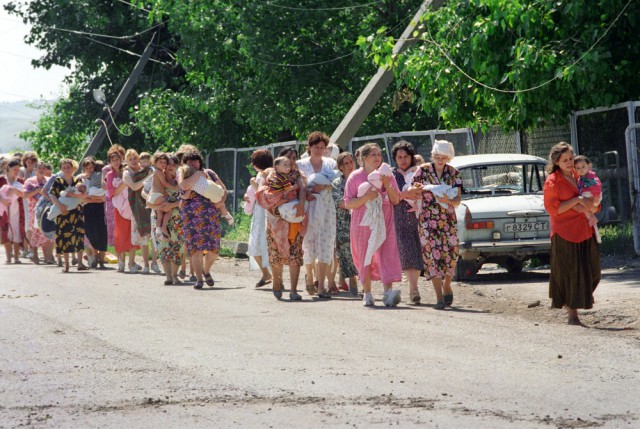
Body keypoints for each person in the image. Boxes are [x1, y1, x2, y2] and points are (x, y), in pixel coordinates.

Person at [543, 142, 600, 326]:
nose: (569, 163)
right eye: (565, 160)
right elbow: (554, 208)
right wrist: (576, 200)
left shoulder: (579, 175)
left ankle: (576, 303)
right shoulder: (553, 181)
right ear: (556, 162)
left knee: (593, 271)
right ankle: (572, 315)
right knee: (570, 274)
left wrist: (591, 203)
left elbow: (592, 198)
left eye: (570, 158)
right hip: (565, 232)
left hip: (584, 230)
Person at [344, 142, 402, 307]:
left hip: (385, 218)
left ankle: (388, 293)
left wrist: (387, 183)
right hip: (363, 220)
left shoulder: (387, 174)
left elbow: (396, 199)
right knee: (365, 255)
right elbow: (348, 203)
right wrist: (365, 198)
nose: (377, 157)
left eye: (379, 154)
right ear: (364, 158)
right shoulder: (355, 176)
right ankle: (367, 293)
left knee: (387, 253)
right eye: (373, 154)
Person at [412, 140, 462, 310]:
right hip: (427, 221)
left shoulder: (454, 173)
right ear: (433, 156)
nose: (440, 160)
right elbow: (414, 189)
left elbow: (457, 201)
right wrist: (422, 188)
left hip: (448, 221)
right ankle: (439, 297)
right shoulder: (423, 170)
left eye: (444, 157)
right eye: (437, 156)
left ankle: (447, 284)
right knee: (432, 257)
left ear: (449, 157)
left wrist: (447, 199)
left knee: (450, 254)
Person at [255, 146, 306, 300]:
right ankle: (277, 283)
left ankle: (294, 290)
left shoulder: (297, 173)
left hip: (293, 219)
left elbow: (302, 189)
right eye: (288, 157)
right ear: (280, 158)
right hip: (274, 219)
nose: (291, 161)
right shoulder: (269, 173)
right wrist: (277, 197)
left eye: (294, 158)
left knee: (294, 253)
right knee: (275, 253)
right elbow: (261, 189)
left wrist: (301, 204)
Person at [177, 148, 227, 289]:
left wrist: (221, 202)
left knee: (214, 248)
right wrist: (198, 174)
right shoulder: (182, 173)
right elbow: (183, 186)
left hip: (210, 215)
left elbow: (223, 189)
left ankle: (206, 271)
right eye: (189, 161)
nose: (193, 163)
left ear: (200, 161)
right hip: (191, 216)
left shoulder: (210, 173)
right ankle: (199, 279)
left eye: (195, 160)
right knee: (195, 248)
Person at [296, 131, 337, 299]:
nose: (319, 150)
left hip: (327, 208)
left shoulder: (331, 163)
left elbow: (337, 182)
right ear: (309, 147)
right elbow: (297, 185)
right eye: (316, 147)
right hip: (308, 208)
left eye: (322, 147)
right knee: (309, 244)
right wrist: (306, 193)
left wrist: (325, 187)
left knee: (326, 245)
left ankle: (321, 286)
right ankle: (310, 276)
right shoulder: (300, 164)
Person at [391, 141, 425, 304]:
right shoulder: (391, 175)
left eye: (406, 156)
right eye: (399, 157)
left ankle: (414, 286)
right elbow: (392, 196)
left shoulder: (420, 172)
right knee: (407, 252)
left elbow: (424, 191)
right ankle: (413, 289)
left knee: (418, 252)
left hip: (420, 218)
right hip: (399, 218)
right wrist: (406, 194)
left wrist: (413, 194)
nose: (403, 160)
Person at [147, 154, 185, 285]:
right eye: (168, 164)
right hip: (159, 217)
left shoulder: (182, 180)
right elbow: (148, 201)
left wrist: (171, 205)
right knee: (164, 247)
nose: (170, 167)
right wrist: (161, 206)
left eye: (174, 164)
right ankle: (168, 277)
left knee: (177, 247)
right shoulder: (156, 176)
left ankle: (175, 276)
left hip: (177, 220)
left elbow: (186, 200)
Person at [48, 158, 87, 272]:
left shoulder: (78, 181)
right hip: (62, 213)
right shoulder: (58, 181)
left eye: (68, 167)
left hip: (77, 212)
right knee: (64, 237)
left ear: (73, 168)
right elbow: (52, 195)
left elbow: (84, 195)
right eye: (64, 167)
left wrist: (71, 195)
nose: (66, 169)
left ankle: (80, 263)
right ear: (61, 169)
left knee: (78, 236)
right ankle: (66, 265)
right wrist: (60, 206)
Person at [105, 145, 139, 273]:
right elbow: (112, 192)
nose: (115, 162)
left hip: (131, 205)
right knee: (121, 235)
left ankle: (131, 263)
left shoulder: (127, 170)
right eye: (113, 160)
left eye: (117, 159)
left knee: (132, 234)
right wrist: (125, 182)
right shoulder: (110, 175)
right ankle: (121, 262)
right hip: (119, 209)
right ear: (110, 162)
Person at [331, 151, 359, 296]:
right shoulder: (337, 183)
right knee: (347, 251)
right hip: (344, 223)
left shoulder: (360, 178)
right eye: (346, 163)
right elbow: (340, 203)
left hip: (361, 221)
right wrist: (358, 202)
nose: (349, 165)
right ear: (341, 167)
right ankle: (352, 279)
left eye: (351, 162)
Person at [244, 148, 273, 288]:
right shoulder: (272, 172)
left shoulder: (263, 175)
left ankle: (268, 274)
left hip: (262, 212)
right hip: (265, 211)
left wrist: (252, 184)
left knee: (255, 246)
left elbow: (262, 192)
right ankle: (270, 275)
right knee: (267, 245)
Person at [123, 149, 154, 274]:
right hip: (136, 208)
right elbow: (134, 187)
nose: (133, 161)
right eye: (130, 159)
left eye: (135, 158)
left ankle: (154, 263)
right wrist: (148, 177)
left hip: (148, 204)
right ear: (126, 161)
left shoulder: (145, 169)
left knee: (151, 235)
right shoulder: (126, 173)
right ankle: (133, 263)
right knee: (139, 237)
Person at [79, 157, 108, 269]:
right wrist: (96, 199)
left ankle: (101, 259)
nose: (90, 170)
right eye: (87, 168)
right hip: (87, 209)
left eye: (91, 167)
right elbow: (82, 198)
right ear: (83, 169)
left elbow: (104, 195)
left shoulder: (99, 178)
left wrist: (97, 199)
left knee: (102, 233)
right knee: (91, 233)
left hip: (100, 208)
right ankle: (93, 257)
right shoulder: (81, 179)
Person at [23, 161, 54, 264]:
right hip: (34, 210)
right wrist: (37, 191)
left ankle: (48, 257)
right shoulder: (30, 181)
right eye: (39, 168)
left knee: (47, 231)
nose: (41, 170)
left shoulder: (49, 180)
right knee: (36, 232)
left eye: (43, 168)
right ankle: (34, 254)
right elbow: (25, 195)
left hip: (47, 209)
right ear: (35, 169)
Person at [0, 158, 26, 263]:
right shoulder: (1, 180)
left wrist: (15, 191)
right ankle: (8, 257)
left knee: (16, 231)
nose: (16, 171)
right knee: (6, 231)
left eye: (18, 169)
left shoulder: (19, 181)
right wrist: (2, 200)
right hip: (4, 209)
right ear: (9, 168)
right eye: (14, 169)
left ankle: (16, 257)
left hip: (17, 209)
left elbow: (24, 195)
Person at [574, 155, 602, 243]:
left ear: (589, 166)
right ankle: (591, 217)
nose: (581, 169)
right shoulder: (581, 178)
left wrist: (596, 196)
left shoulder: (590, 176)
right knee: (583, 205)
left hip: (593, 195)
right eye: (578, 168)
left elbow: (596, 186)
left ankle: (591, 218)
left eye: (583, 166)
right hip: (589, 195)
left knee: (581, 203)